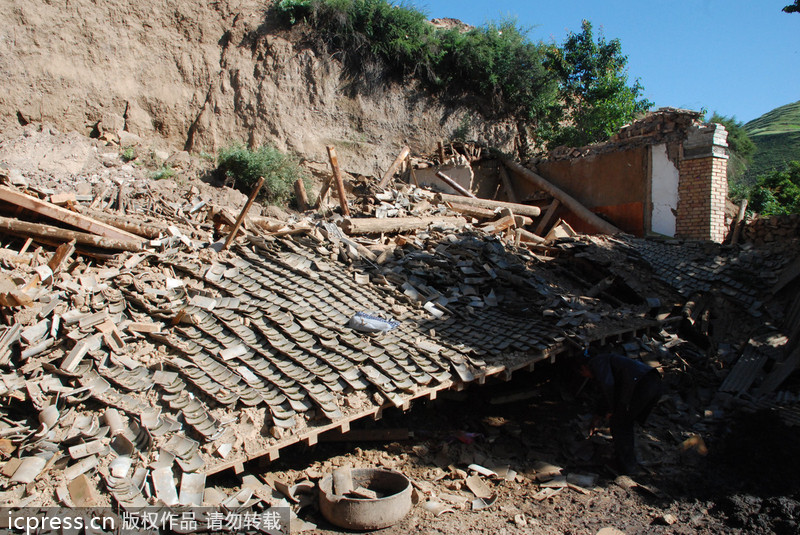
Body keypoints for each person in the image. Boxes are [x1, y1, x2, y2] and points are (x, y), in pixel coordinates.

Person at [578, 346, 663, 474]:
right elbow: (605, 395)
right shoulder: (607, 362)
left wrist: (613, 410)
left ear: (584, 367)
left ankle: (626, 467)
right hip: (653, 382)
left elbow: (608, 386)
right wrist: (597, 417)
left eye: (582, 373)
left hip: (641, 386)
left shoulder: (597, 363)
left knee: (620, 424)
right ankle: (626, 461)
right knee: (624, 422)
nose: (584, 376)